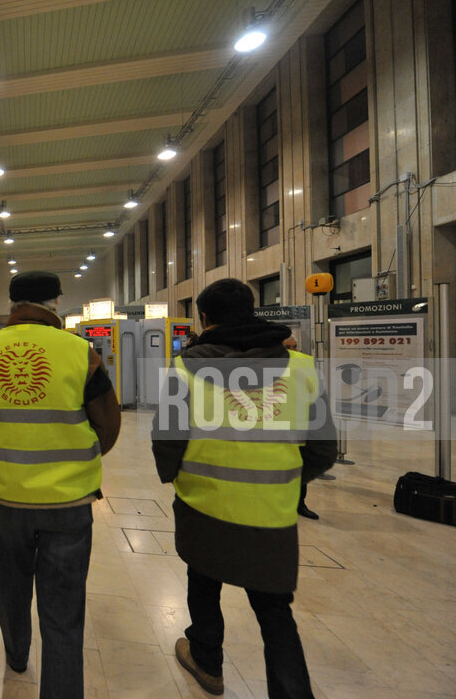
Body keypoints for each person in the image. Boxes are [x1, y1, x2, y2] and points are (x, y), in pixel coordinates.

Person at [152, 279, 336, 698]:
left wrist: (178, 479)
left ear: (205, 319)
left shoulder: (186, 368)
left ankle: (207, 660)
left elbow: (167, 441)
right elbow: (324, 449)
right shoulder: (301, 367)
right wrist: (284, 478)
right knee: (274, 609)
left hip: (204, 502)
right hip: (272, 513)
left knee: (202, 583)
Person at [0, 270, 121, 699]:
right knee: (64, 614)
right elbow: (107, 424)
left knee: (10, 588)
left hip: (3, 496)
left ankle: (16, 655)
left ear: (13, 305)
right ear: (54, 302)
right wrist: (72, 454)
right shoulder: (80, 352)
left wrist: (5, 444)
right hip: (67, 502)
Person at [283, 334, 320, 520]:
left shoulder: (305, 365)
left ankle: (300, 503)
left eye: (295, 346)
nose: (293, 351)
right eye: (288, 347)